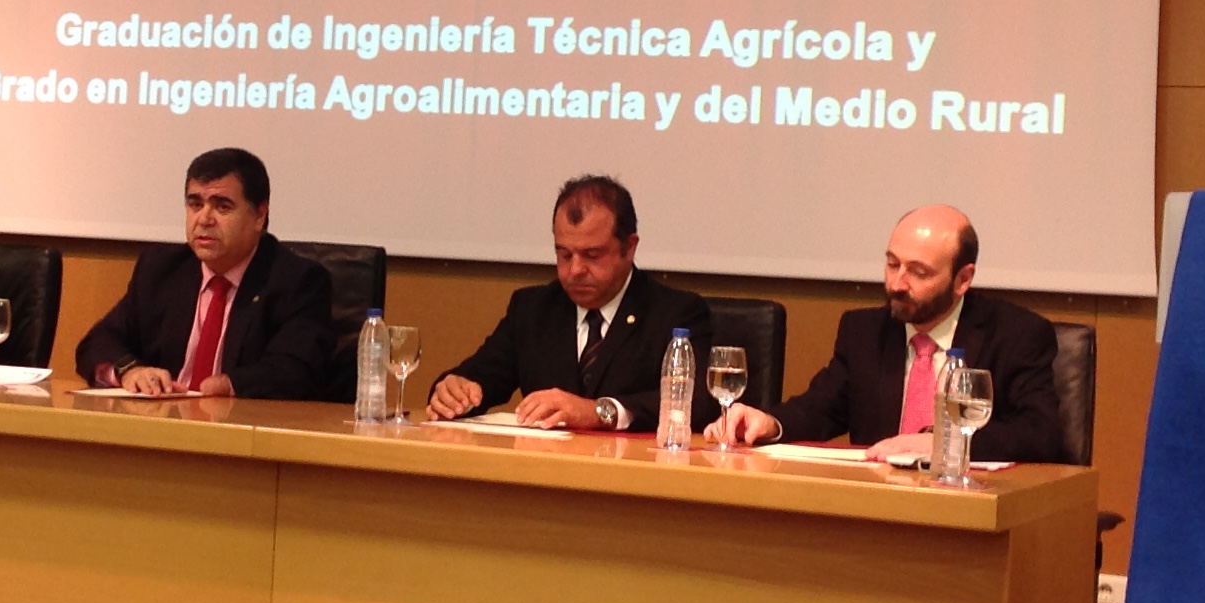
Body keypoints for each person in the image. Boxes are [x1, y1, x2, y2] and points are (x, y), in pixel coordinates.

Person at [711, 204, 1065, 459]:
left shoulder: (1015, 334)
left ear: (963, 279)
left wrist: (943, 441)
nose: (897, 284)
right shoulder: (864, 330)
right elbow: (819, 409)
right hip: (879, 502)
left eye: (919, 273)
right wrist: (769, 422)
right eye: (892, 263)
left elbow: (1040, 433)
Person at [428, 176, 716, 433]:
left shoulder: (675, 313)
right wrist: (456, 391)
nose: (575, 269)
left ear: (629, 247)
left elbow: (698, 403)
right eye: (564, 254)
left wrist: (599, 412)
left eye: (592, 255)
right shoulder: (533, 309)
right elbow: (481, 375)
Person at [74, 147, 335, 399]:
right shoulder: (161, 269)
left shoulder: (296, 280)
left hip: (243, 432)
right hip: (162, 426)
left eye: (222, 207)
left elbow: (296, 369)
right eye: (195, 204)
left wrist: (227, 385)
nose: (204, 219)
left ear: (259, 215)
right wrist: (130, 371)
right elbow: (98, 342)